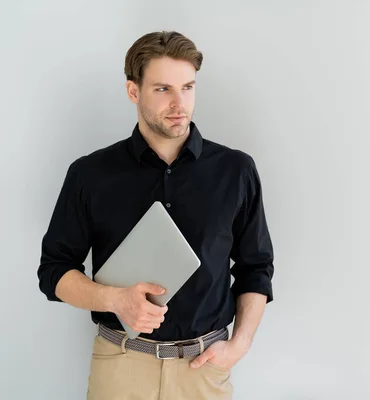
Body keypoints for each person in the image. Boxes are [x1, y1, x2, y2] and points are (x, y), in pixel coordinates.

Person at [36, 30, 274, 399]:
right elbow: (54, 271)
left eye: (188, 87)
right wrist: (115, 300)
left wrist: (239, 345)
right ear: (134, 91)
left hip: (204, 369)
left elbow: (256, 268)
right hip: (120, 364)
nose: (180, 103)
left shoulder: (236, 171)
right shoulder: (90, 174)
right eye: (163, 89)